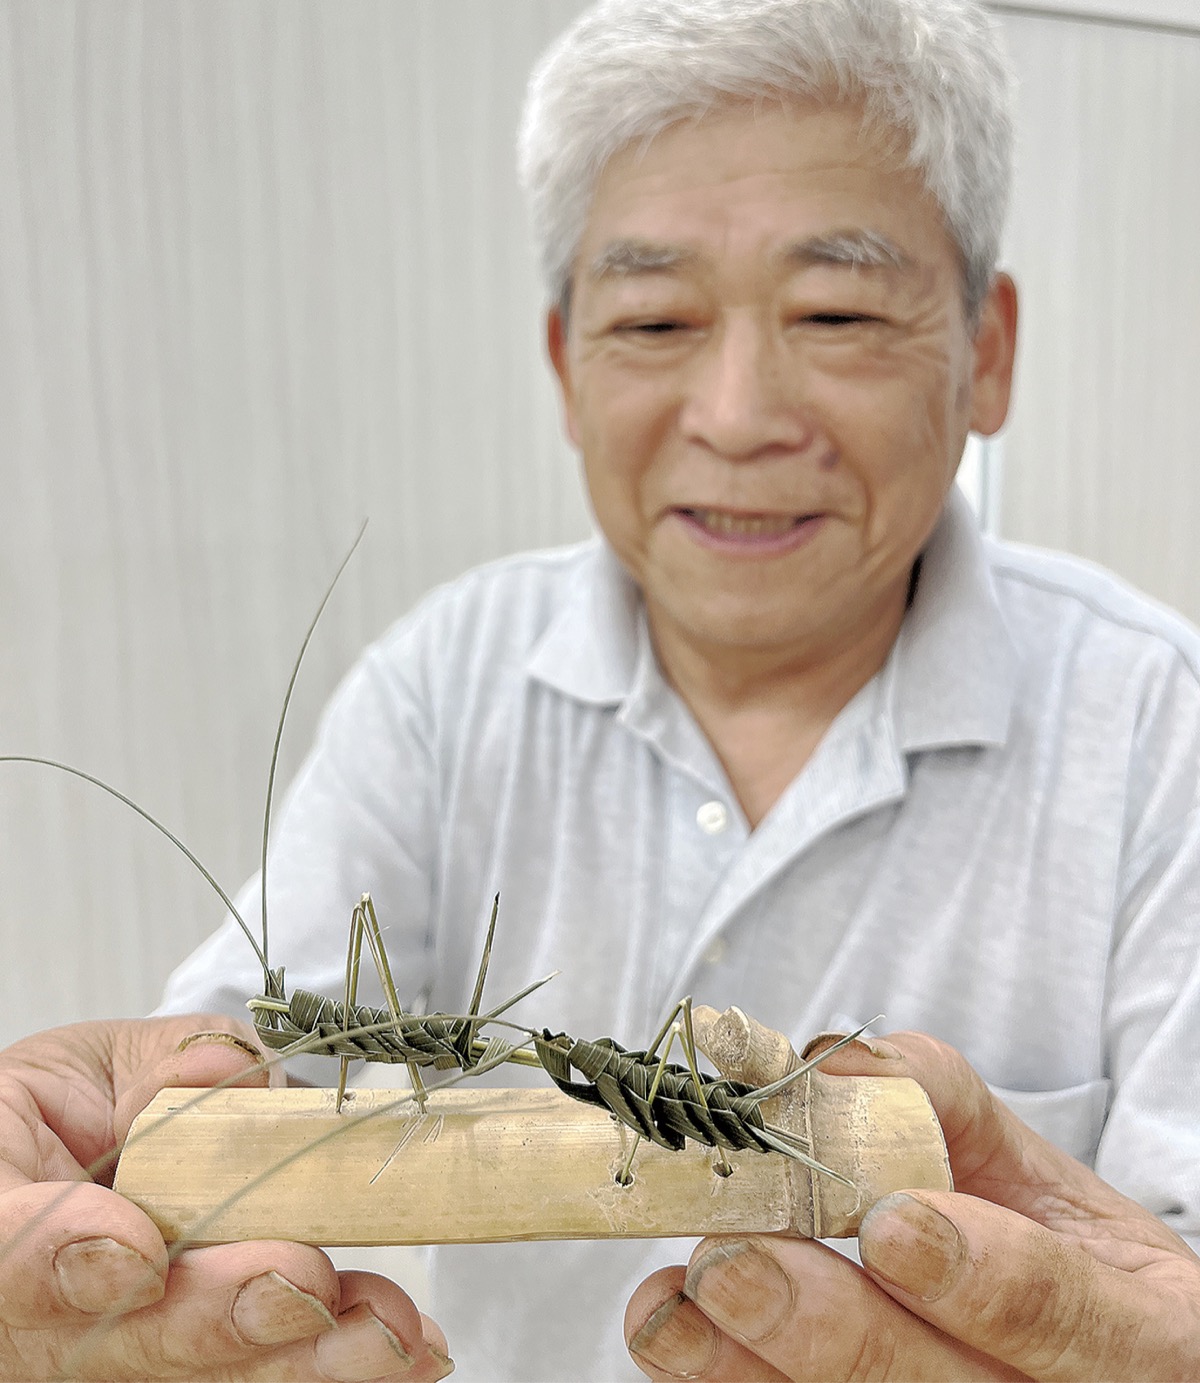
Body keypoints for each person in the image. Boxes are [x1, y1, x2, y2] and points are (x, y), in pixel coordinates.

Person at [1, 0, 1198, 1378]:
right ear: (568, 367)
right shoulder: (441, 684)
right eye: (657, 318)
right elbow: (223, 1070)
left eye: (837, 309)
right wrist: (106, 1226)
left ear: (986, 352)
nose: (741, 415)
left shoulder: (1162, 726)